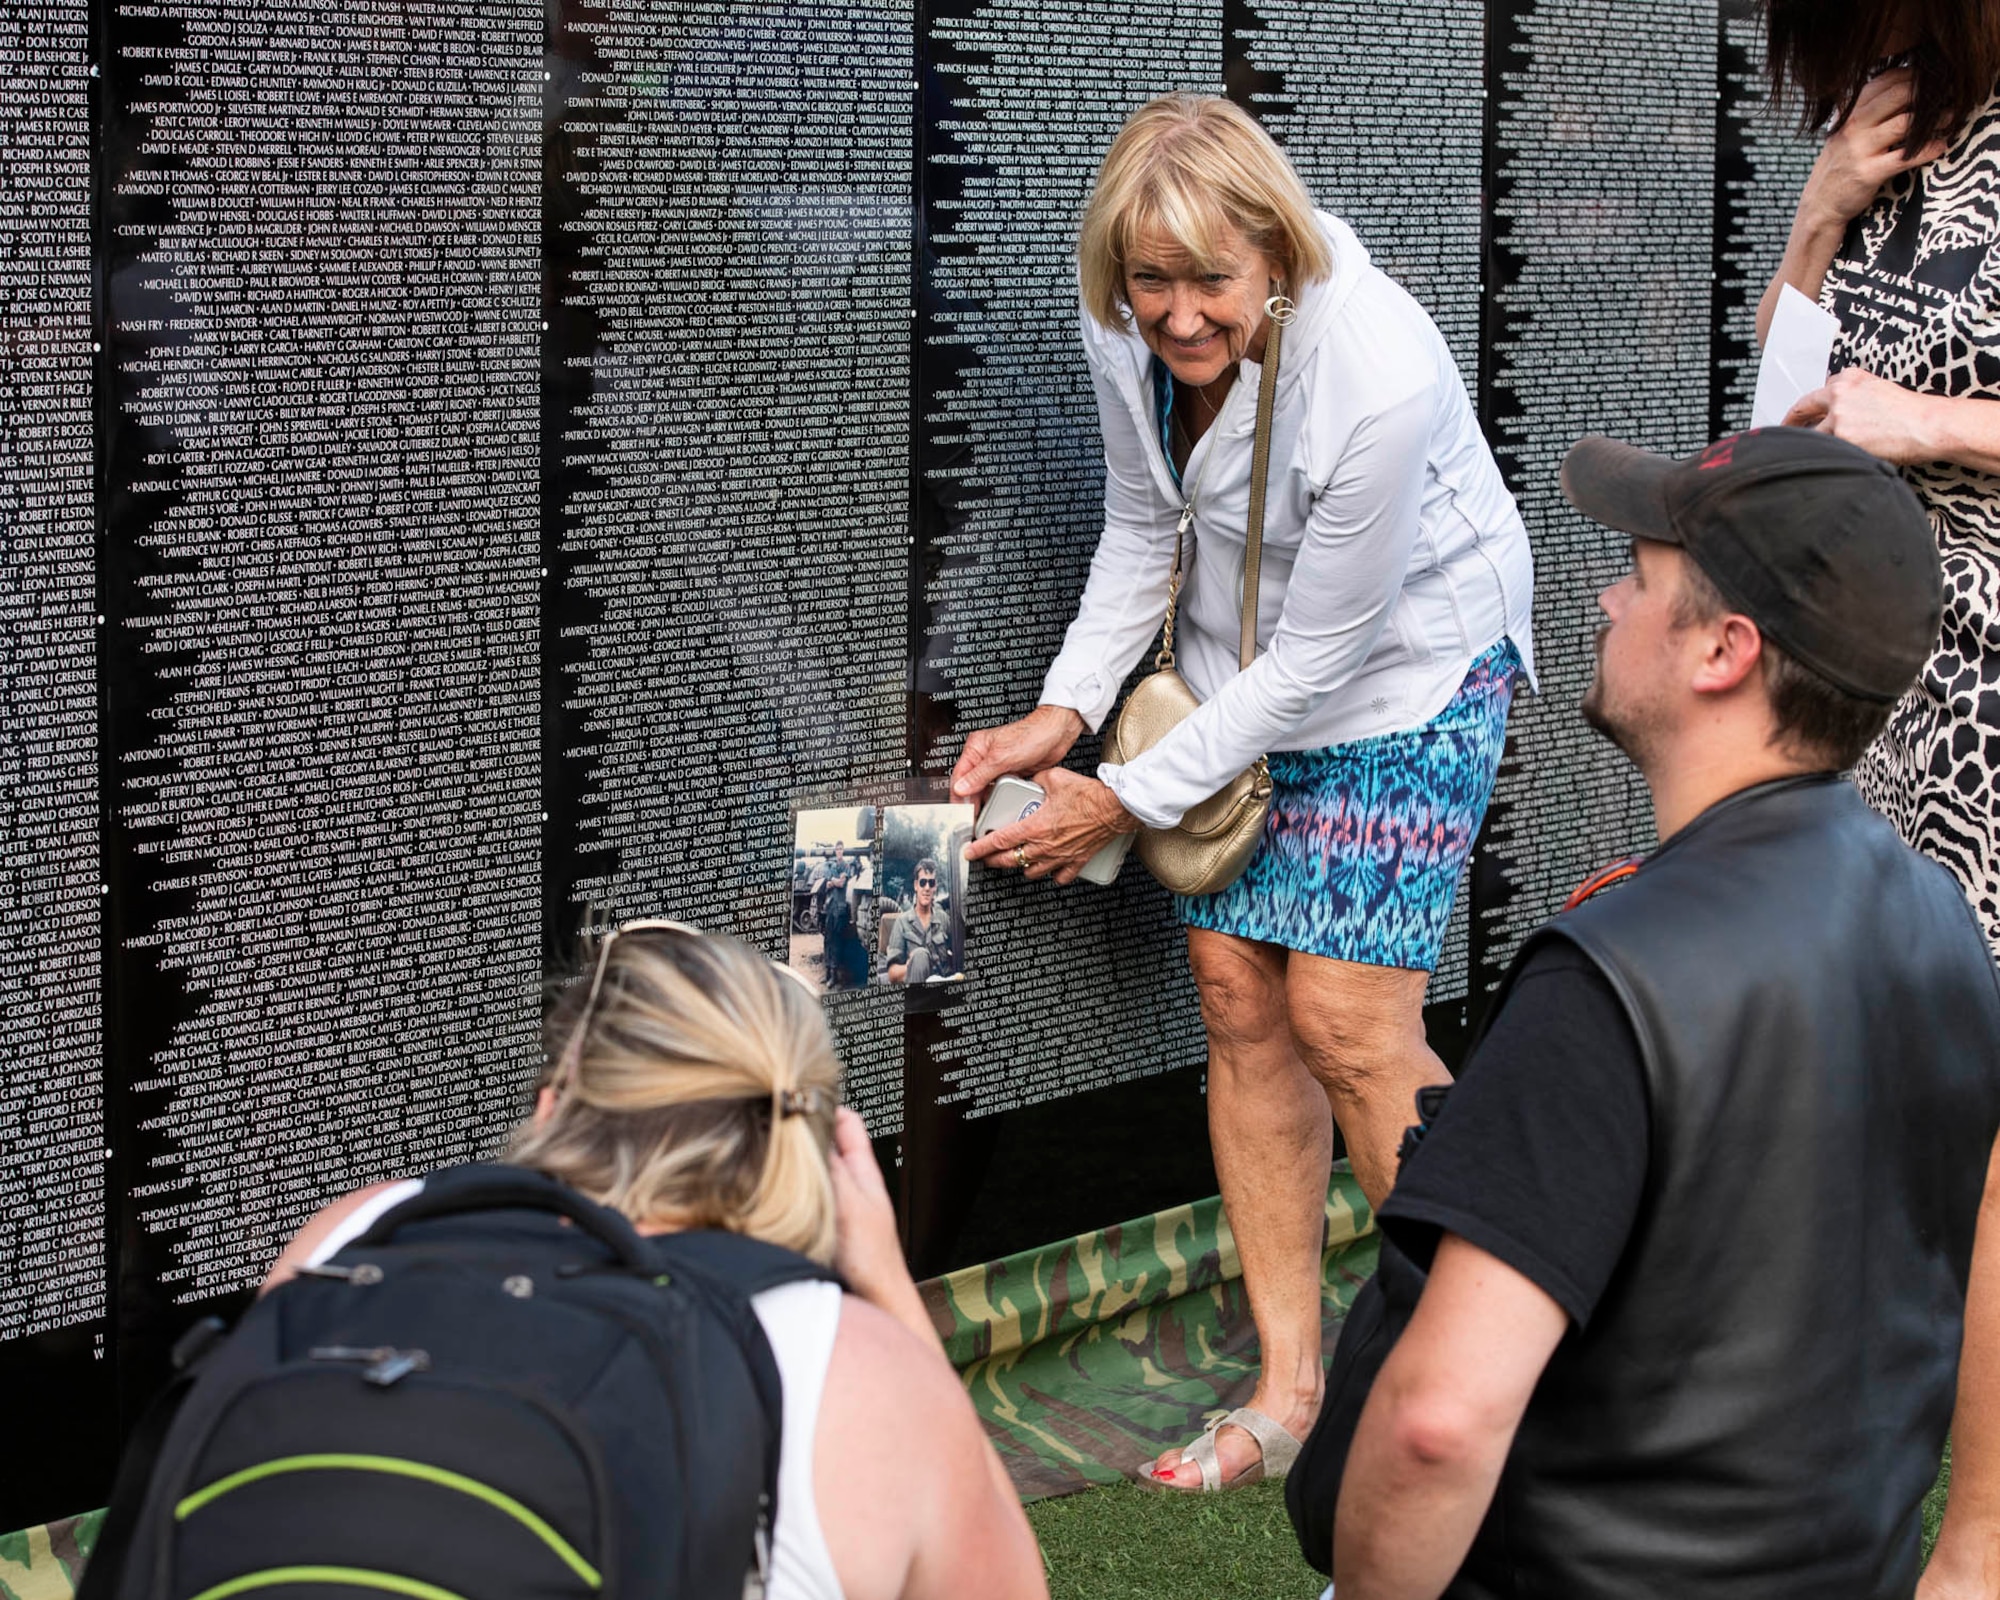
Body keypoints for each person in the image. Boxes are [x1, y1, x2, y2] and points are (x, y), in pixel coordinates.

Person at [1296, 427, 2000, 1599]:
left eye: (1638, 576)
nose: (1603, 602)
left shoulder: (1608, 977)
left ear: (1722, 650)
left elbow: (1436, 1424)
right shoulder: (1941, 922)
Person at [950, 92, 1535, 1489]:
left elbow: (1330, 652)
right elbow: (1145, 523)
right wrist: (1066, 711)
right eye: (1152, 282)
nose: (1179, 317)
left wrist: (1127, 795)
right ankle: (1288, 1393)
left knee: (1347, 1015)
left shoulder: (1377, 372)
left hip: (1409, 677)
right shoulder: (1123, 321)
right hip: (1236, 675)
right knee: (1234, 997)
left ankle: (1496, 1382)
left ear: (1277, 251)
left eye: (1211, 280)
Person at [266, 923, 1049, 1600]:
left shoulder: (349, 1235)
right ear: (810, 1145)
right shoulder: (845, 1367)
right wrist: (883, 1279)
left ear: (554, 1105)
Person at [1760, 0, 2000, 947]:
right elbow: (1782, 385)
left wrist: (1927, 421)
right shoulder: (1886, 104)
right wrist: (1820, 211)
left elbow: (1893, 413)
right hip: (1881, 662)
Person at [883, 856, 956, 983]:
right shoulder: (902, 922)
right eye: (923, 882)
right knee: (920, 955)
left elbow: (957, 955)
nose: (927, 888)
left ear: (935, 887)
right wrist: (911, 966)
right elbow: (892, 973)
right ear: (916, 885)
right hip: (916, 990)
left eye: (931, 883)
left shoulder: (943, 919)